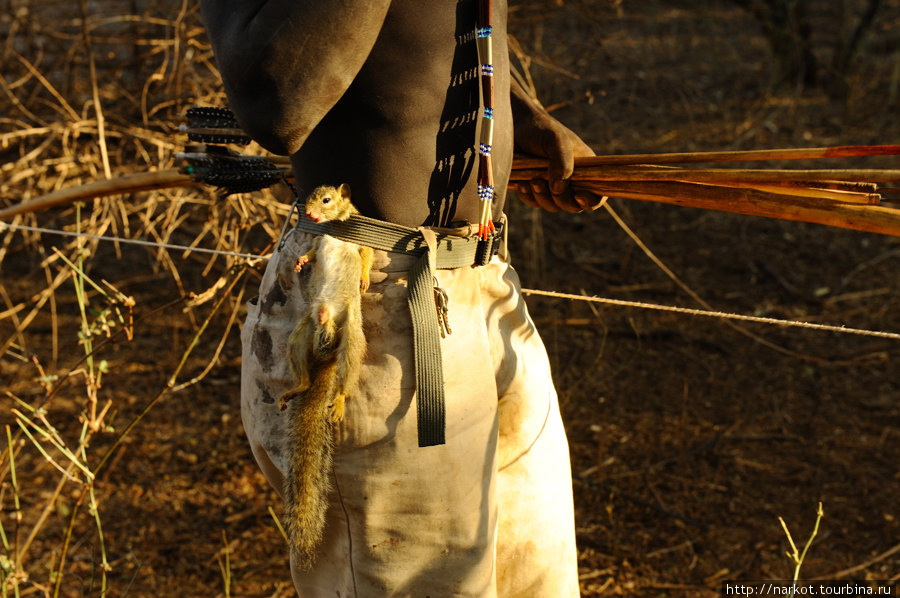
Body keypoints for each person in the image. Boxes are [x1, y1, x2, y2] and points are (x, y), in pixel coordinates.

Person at [200, 1, 602, 596]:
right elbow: (278, 105)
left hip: (484, 291)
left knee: (538, 582)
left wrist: (519, 114)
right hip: (368, 309)